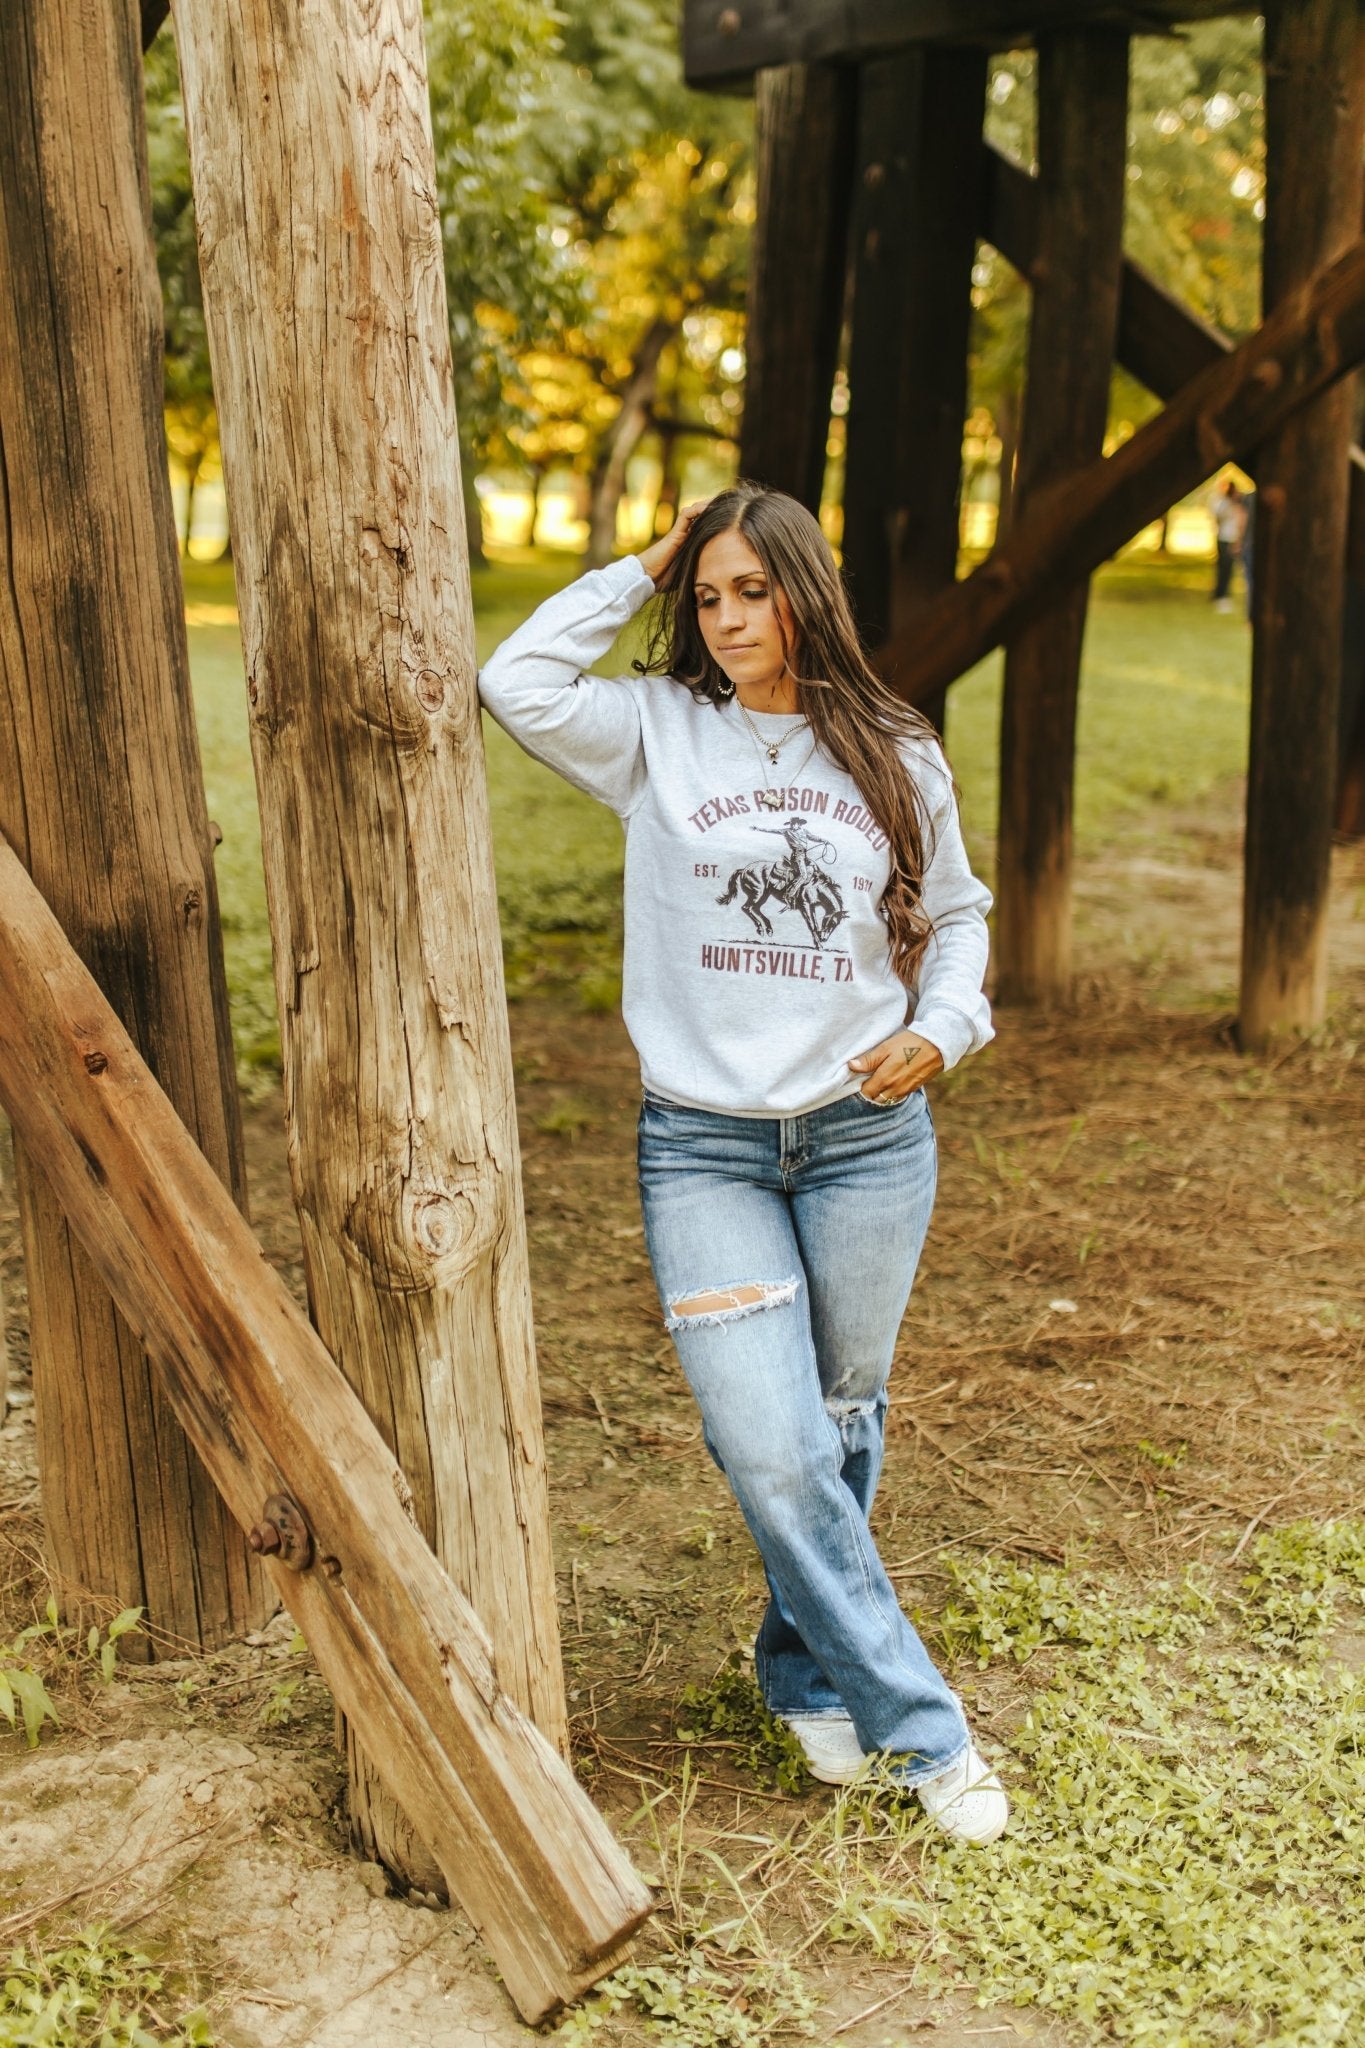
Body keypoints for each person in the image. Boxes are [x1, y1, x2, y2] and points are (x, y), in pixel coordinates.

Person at [479, 483, 1008, 1845]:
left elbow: (957, 914)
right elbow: (514, 680)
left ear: (803, 592)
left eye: (750, 591)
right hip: (704, 1146)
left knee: (838, 1415)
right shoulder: (655, 731)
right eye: (705, 596)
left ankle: (801, 1670)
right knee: (770, 1442)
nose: (724, 619)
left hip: (865, 1138)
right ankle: (923, 1727)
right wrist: (642, 564)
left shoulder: (894, 750)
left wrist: (944, 1028)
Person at [1210, 478, 1246, 611]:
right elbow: (1218, 518)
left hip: (1231, 538)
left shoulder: (1238, 504)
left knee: (1228, 569)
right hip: (1224, 538)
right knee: (1223, 568)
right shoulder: (1222, 503)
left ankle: (1223, 595)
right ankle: (1220, 595)